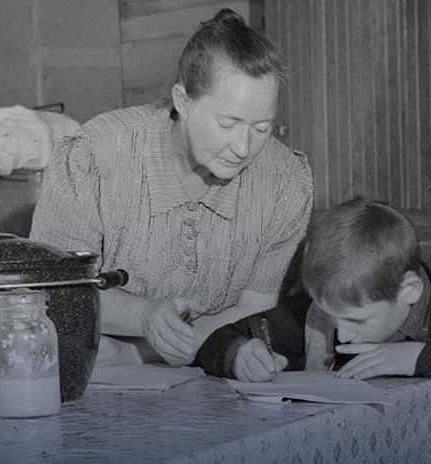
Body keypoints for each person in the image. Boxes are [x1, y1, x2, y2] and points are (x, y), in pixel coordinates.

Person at [31, 9, 313, 366]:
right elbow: (59, 291)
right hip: (98, 372)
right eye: (228, 123)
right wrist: (143, 316)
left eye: (261, 128)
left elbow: (255, 307)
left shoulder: (285, 180)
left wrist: (142, 354)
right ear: (182, 100)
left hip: (209, 365)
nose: (244, 147)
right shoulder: (95, 154)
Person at [195, 196, 431, 460]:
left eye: (357, 321)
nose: (342, 335)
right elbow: (218, 341)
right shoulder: (326, 307)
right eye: (334, 319)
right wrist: (237, 353)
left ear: (409, 291)